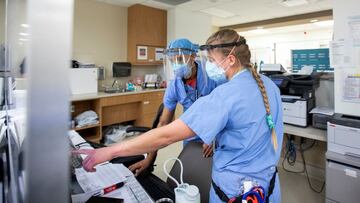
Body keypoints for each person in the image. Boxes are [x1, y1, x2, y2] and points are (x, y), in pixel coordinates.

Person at [75, 29, 283, 203]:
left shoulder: (224, 93)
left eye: (211, 59)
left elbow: (166, 135)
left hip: (235, 192)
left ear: (230, 59)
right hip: (268, 187)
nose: (209, 64)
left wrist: (110, 151)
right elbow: (246, 124)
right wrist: (150, 158)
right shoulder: (269, 85)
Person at [128, 38, 220, 176]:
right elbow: (163, 123)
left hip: (216, 131)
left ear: (193, 56)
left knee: (212, 174)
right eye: (172, 61)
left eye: (180, 59)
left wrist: (213, 136)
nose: (176, 65)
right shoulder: (175, 85)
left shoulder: (211, 76)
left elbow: (223, 110)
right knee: (191, 171)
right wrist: (149, 159)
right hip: (191, 133)